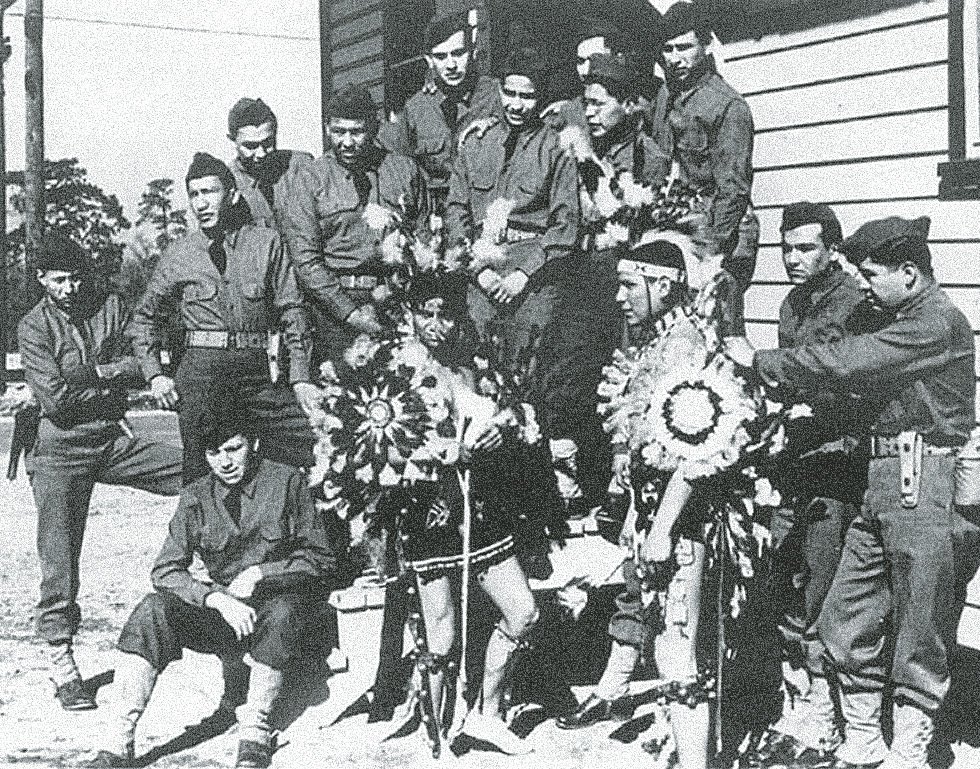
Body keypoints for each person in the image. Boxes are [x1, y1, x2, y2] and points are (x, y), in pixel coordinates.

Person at [728, 216, 976, 769]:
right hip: (882, 479)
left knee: (920, 629)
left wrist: (759, 361)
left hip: (925, 482)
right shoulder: (893, 317)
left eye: (869, 274)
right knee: (845, 617)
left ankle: (909, 754)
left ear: (909, 273)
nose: (859, 284)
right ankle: (862, 743)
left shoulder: (934, 323)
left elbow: (844, 362)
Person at [87, 405, 336, 769]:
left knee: (283, 612)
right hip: (225, 612)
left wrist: (263, 573)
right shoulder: (197, 495)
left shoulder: (286, 482)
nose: (224, 462)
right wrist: (214, 597)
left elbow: (321, 558)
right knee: (151, 611)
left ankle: (255, 730)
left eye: (233, 448)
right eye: (213, 452)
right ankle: (116, 743)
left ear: (252, 443)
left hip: (278, 613)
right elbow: (166, 570)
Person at [369, 270, 550, 754]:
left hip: (482, 506)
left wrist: (503, 429)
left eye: (443, 314)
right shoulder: (392, 369)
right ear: (409, 316)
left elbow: (514, 412)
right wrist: (429, 452)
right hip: (427, 511)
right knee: (442, 632)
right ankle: (436, 724)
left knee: (523, 612)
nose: (434, 325)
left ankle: (487, 714)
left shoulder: (476, 364)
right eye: (424, 314)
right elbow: (376, 444)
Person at [559, 239, 715, 769]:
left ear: (664, 285)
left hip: (682, 520)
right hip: (650, 513)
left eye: (630, 285)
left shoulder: (686, 348)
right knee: (666, 642)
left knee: (675, 649)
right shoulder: (655, 342)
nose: (620, 296)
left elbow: (697, 454)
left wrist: (664, 529)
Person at [17, 232, 182, 711]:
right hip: (57, 450)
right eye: (58, 280)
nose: (69, 288)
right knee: (60, 558)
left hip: (111, 439)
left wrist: (102, 375)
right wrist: (113, 380)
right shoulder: (33, 327)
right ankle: (61, 661)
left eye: (75, 278)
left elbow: (145, 353)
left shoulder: (108, 305)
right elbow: (57, 400)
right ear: (44, 281)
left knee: (192, 470)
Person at [750, 203, 881, 768]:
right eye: (786, 247)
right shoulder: (791, 304)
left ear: (831, 248)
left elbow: (859, 384)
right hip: (792, 464)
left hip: (835, 465)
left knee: (824, 588)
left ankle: (831, 720)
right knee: (790, 582)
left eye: (805, 248)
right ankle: (802, 703)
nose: (793, 258)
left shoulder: (855, 306)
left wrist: (806, 399)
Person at [128, 152, 321, 483]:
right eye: (194, 194)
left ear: (231, 195)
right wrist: (155, 375)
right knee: (201, 475)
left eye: (209, 192)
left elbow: (292, 309)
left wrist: (300, 376)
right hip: (201, 374)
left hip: (255, 373)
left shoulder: (266, 243)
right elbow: (144, 319)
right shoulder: (180, 253)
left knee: (299, 449)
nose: (201, 203)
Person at [544, 52, 671, 518]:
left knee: (622, 380)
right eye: (587, 103)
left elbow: (633, 216)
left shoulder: (648, 156)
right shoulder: (568, 144)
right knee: (570, 378)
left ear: (628, 105)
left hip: (624, 280)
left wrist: (593, 163)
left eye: (600, 103)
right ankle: (575, 486)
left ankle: (618, 493)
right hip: (581, 275)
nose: (591, 112)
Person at [444, 45, 579, 377]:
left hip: (533, 282)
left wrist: (522, 276)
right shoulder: (475, 142)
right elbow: (456, 210)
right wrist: (478, 269)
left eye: (527, 96)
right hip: (480, 276)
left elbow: (565, 222)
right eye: (510, 92)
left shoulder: (556, 148)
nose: (516, 104)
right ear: (499, 90)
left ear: (541, 97)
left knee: (528, 374)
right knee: (478, 372)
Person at [283, 84, 425, 362]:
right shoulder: (310, 179)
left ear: (374, 127)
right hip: (334, 313)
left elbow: (424, 239)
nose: (347, 142)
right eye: (339, 132)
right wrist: (350, 313)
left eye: (357, 132)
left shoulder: (404, 170)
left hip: (395, 305)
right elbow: (306, 261)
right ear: (327, 129)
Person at [657, 1, 758, 292]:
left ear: (706, 45)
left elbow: (734, 189)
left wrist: (707, 252)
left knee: (715, 321)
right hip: (684, 226)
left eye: (684, 48)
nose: (675, 58)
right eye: (668, 49)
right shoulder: (669, 97)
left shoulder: (727, 106)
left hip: (724, 234)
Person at [379, 11, 500, 213]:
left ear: (473, 52)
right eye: (441, 56)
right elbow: (394, 162)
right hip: (438, 214)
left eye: (458, 53)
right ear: (429, 60)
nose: (451, 65)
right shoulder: (417, 108)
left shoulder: (496, 95)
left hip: (485, 210)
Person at [226, 97, 315, 231]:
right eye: (251, 146)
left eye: (268, 143)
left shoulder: (302, 166)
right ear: (232, 140)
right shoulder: (227, 182)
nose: (261, 153)